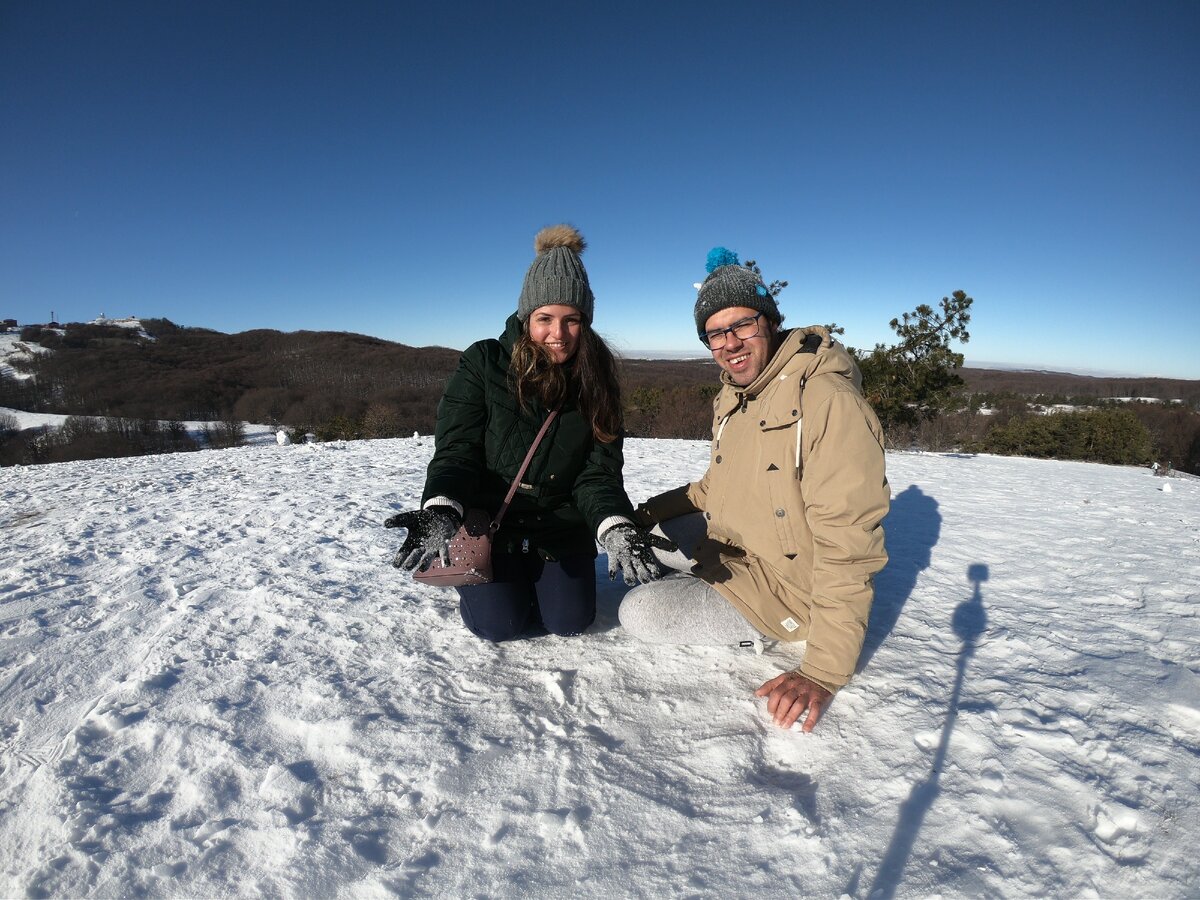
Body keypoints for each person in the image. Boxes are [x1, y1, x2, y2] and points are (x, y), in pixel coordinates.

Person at [619, 247, 890, 732]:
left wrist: (823, 671)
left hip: (788, 590)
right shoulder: (736, 394)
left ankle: (761, 626)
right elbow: (713, 487)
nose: (730, 343)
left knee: (638, 612)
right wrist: (643, 513)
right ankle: (701, 579)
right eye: (715, 333)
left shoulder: (827, 400)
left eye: (742, 325)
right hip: (739, 546)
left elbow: (849, 543)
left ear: (770, 321)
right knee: (651, 538)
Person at [387, 224, 668, 641]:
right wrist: (443, 508)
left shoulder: (597, 381)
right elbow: (458, 450)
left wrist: (615, 526)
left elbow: (598, 474)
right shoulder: (483, 362)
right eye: (545, 319)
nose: (559, 334)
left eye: (572, 320)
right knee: (498, 625)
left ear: (586, 322)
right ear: (526, 318)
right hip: (491, 522)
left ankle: (537, 579)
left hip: (559, 525)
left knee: (569, 621)